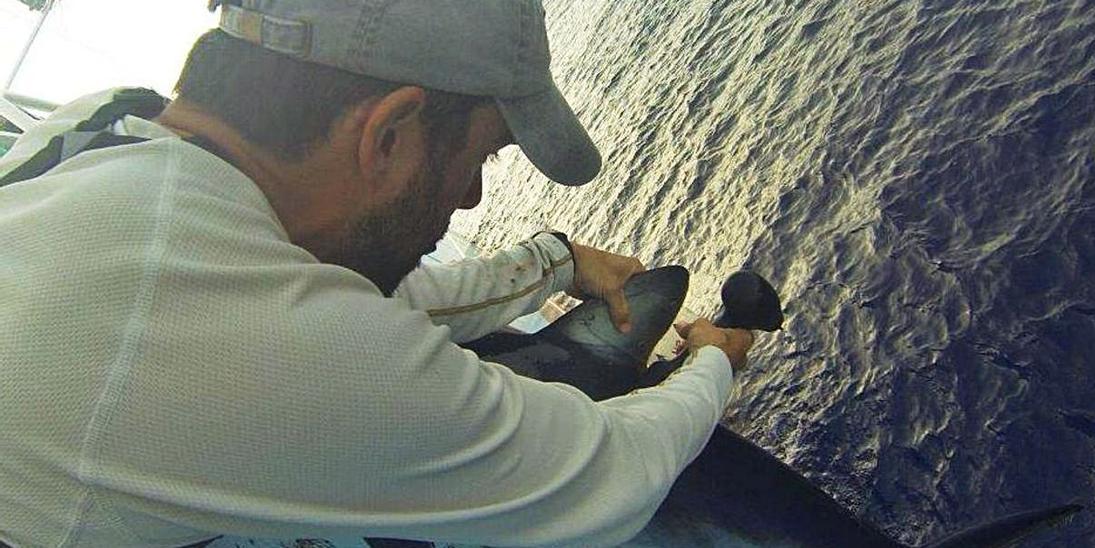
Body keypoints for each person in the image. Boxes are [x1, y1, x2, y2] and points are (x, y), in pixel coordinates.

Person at [0, 1, 755, 547]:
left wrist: (556, 260)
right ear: (389, 133)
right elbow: (611, 477)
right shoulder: (269, 349)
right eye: (478, 160)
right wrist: (712, 363)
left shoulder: (101, 130)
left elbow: (366, 300)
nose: (471, 197)